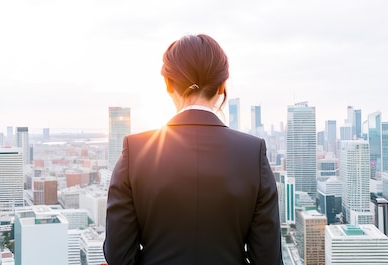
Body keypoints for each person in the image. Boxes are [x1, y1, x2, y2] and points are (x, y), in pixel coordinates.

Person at [104, 34, 282, 265]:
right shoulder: (252, 153)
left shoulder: (136, 151)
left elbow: (119, 256)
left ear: (168, 84)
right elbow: (267, 258)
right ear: (222, 86)